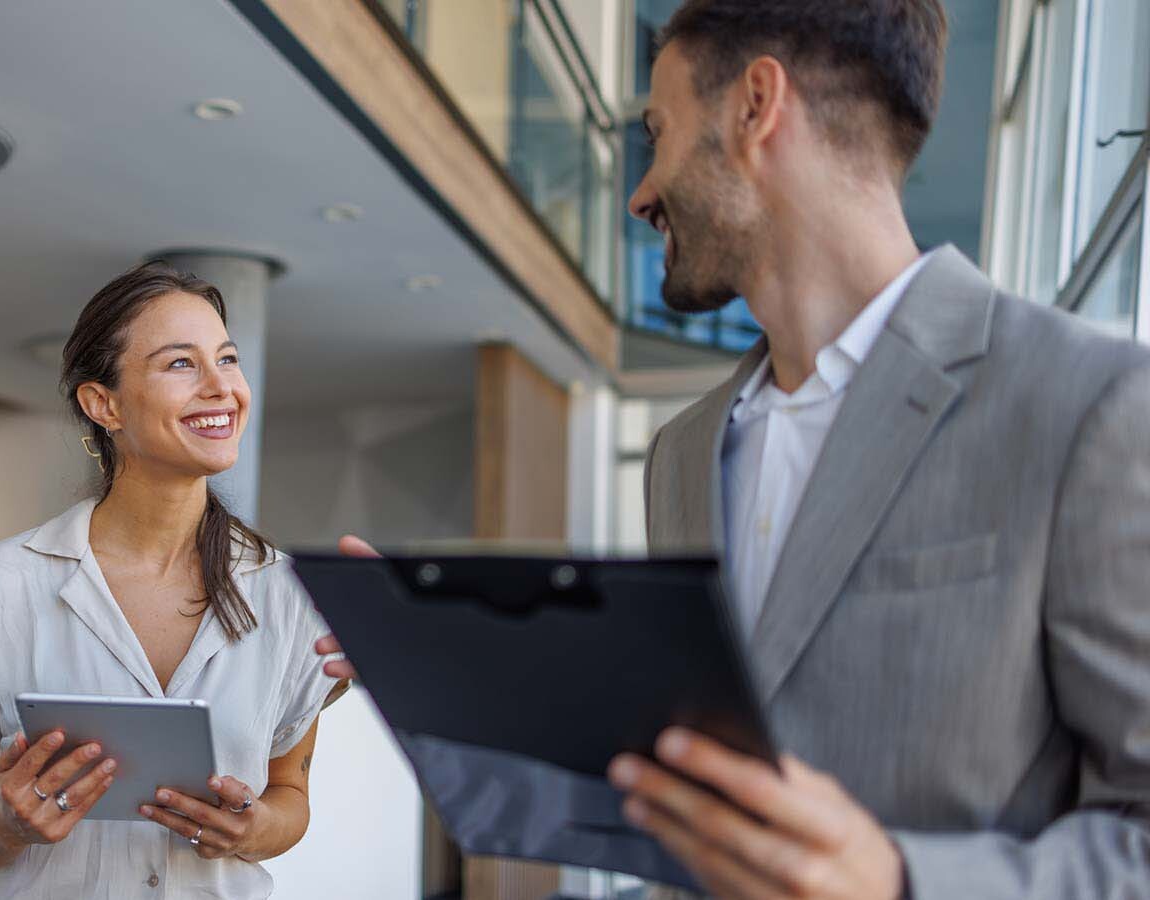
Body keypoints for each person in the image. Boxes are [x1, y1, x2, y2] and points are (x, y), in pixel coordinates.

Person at [321, 1, 1150, 896]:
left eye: (659, 131)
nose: (639, 194)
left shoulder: (1091, 405)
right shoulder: (685, 452)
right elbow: (673, 782)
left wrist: (902, 882)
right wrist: (449, 673)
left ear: (758, 106)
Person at [0, 261, 340, 898]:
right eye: (180, 364)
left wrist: (250, 830)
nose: (221, 387)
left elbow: (290, 797)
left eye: (226, 359)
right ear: (103, 403)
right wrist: (6, 823)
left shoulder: (290, 596)